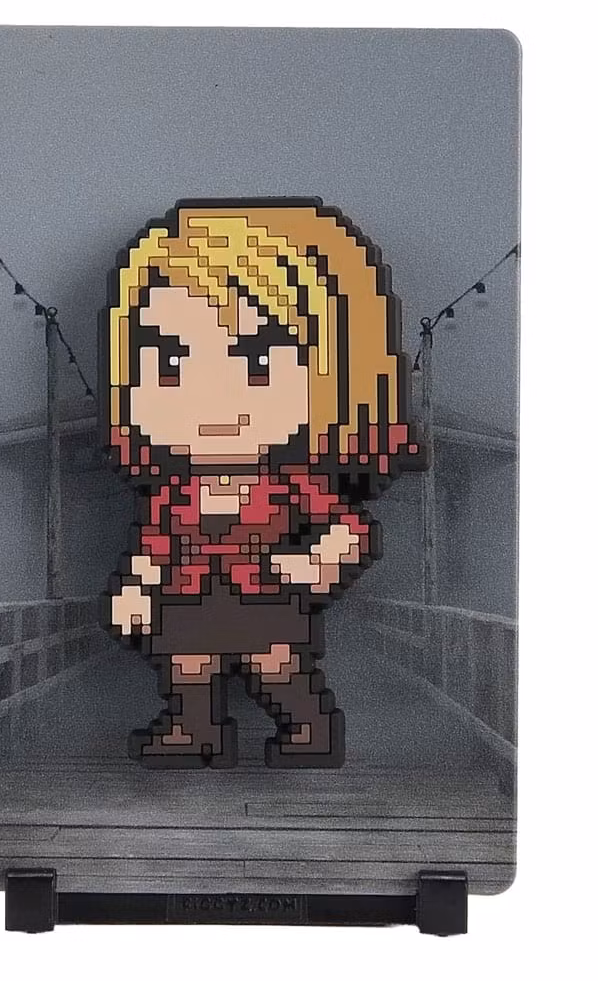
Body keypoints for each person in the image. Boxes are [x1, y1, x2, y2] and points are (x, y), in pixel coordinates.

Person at [104, 198, 425, 768]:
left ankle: (308, 725)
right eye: (171, 361)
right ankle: (194, 729)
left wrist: (317, 562)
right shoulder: (174, 498)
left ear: (334, 372)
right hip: (189, 603)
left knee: (276, 667)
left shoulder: (291, 486)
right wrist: (136, 590)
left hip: (266, 599)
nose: (211, 393)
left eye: (256, 360)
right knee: (187, 666)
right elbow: (153, 550)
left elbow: (348, 531)